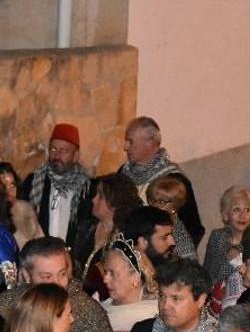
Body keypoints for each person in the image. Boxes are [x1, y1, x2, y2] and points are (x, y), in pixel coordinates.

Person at [119, 116, 205, 245]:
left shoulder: (174, 180)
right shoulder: (123, 173)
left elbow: (193, 228)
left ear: (149, 142)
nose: (125, 147)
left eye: (130, 141)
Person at [21, 123, 93, 247]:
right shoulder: (34, 182)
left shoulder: (87, 188)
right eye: (53, 149)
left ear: (76, 156)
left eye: (64, 151)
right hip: (41, 255)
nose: (57, 155)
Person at [73, 172, 140, 296]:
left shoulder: (126, 237)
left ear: (114, 202)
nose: (93, 200)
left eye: (100, 196)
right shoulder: (86, 228)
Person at [100, 235, 160, 332]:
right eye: (105, 272)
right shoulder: (99, 307)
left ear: (135, 278)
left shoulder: (153, 314)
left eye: (112, 273)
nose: (105, 279)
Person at [203, 186, 250, 285]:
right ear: (226, 214)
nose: (242, 216)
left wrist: (236, 260)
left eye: (247, 210)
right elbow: (214, 275)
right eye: (236, 209)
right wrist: (235, 260)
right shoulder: (218, 236)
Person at [0, 161, 44, 248]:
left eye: (12, 184)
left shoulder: (25, 210)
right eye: (4, 186)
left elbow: (42, 244)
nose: (10, 190)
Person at [148, 174, 199, 260]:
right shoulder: (150, 222)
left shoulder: (180, 238)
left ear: (174, 207)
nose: (154, 205)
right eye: (152, 200)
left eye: (161, 202)